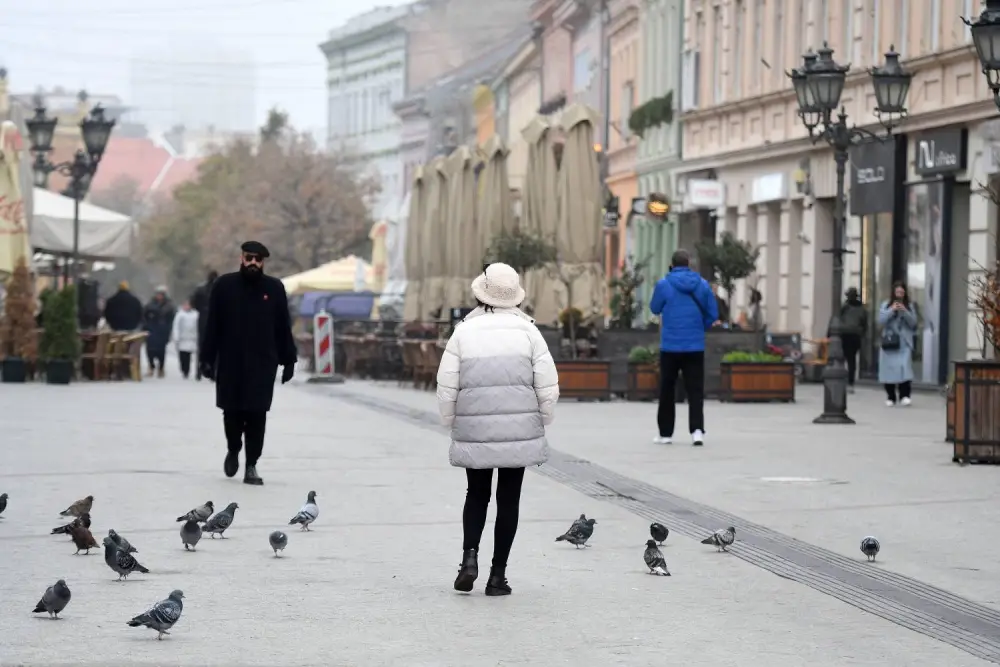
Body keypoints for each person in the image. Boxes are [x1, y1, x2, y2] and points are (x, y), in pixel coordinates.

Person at [436, 262, 559, 596]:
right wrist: (542, 418)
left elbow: (447, 384)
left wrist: (450, 420)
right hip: (519, 428)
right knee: (509, 499)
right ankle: (497, 576)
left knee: (476, 494)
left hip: (474, 426)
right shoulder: (529, 332)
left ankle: (468, 560)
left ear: (482, 293)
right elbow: (547, 384)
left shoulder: (463, 331)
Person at [199, 241, 297, 486]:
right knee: (231, 412)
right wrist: (207, 359)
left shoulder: (274, 288)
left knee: (257, 415)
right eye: (249, 258)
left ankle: (251, 464)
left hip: (263, 363)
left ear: (263, 262)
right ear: (241, 258)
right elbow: (212, 325)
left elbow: (283, 327)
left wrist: (289, 360)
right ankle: (233, 449)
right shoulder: (224, 286)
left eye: (258, 259)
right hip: (231, 361)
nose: (253, 263)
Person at [649, 249, 719, 447]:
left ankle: (665, 433)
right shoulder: (702, 285)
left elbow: (654, 308)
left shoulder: (664, 284)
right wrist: (699, 327)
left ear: (672, 264)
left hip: (670, 345)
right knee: (695, 389)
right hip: (695, 345)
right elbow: (713, 313)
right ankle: (697, 431)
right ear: (689, 264)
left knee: (667, 389)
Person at [878, 281, 918, 407]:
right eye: (897, 292)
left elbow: (913, 323)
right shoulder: (886, 304)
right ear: (893, 293)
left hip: (904, 342)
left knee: (904, 368)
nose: (899, 294)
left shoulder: (910, 306)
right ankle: (891, 396)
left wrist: (905, 311)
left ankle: (905, 395)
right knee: (888, 369)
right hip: (890, 342)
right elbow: (881, 320)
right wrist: (892, 310)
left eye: (902, 292)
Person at [837, 287, 868, 393]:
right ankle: (850, 382)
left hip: (846, 335)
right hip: (854, 336)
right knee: (851, 361)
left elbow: (838, 320)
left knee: (844, 359)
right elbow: (865, 324)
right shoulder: (861, 308)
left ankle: (845, 381)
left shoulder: (845, 307)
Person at [190, 270, 218, 380]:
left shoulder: (200, 289)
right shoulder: (221, 289)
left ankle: (199, 371)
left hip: (203, 319)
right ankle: (213, 372)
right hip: (216, 320)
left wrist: (201, 310)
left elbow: (193, 303)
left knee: (201, 347)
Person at [142, 286, 176, 378]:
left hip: (162, 331)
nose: (159, 296)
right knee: (150, 350)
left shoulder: (169, 306)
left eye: (161, 294)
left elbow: (171, 319)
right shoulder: (150, 305)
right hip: (152, 330)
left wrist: (168, 329)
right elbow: (144, 317)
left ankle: (161, 368)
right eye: (158, 294)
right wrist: (146, 327)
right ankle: (151, 366)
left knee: (161, 351)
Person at [171, 301, 199, 379]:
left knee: (189, 356)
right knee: (183, 355)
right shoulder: (180, 314)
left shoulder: (195, 314)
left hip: (191, 338)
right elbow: (176, 326)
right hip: (182, 338)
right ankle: (183, 369)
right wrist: (176, 336)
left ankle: (187, 370)